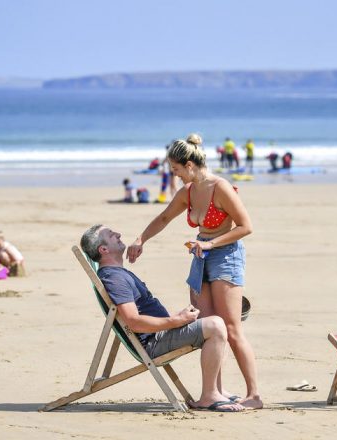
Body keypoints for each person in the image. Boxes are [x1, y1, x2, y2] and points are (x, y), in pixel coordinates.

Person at [127, 133, 262, 409]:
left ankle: (254, 395)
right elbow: (164, 217)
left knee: (233, 329)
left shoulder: (220, 187)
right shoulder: (187, 192)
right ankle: (217, 392)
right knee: (213, 329)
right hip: (201, 257)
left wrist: (211, 242)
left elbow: (245, 226)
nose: (175, 176)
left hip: (226, 256)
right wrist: (141, 239)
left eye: (176, 170)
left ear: (189, 165)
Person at [81, 225, 244, 412]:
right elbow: (133, 321)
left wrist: (180, 318)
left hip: (160, 333)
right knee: (215, 325)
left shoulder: (118, 274)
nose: (118, 234)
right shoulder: (114, 278)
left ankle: (217, 390)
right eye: (111, 235)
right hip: (153, 342)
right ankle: (209, 396)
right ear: (103, 249)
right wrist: (176, 321)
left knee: (216, 319)